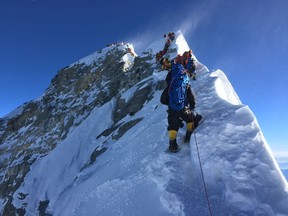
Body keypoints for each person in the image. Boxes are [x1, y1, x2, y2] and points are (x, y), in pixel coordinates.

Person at [161, 54, 202, 152]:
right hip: (183, 107)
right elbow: (191, 96)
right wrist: (192, 106)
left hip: (172, 108)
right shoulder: (185, 80)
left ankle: (173, 145)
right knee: (189, 118)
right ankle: (188, 134)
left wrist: (170, 103)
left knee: (172, 125)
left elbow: (162, 99)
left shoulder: (171, 79)